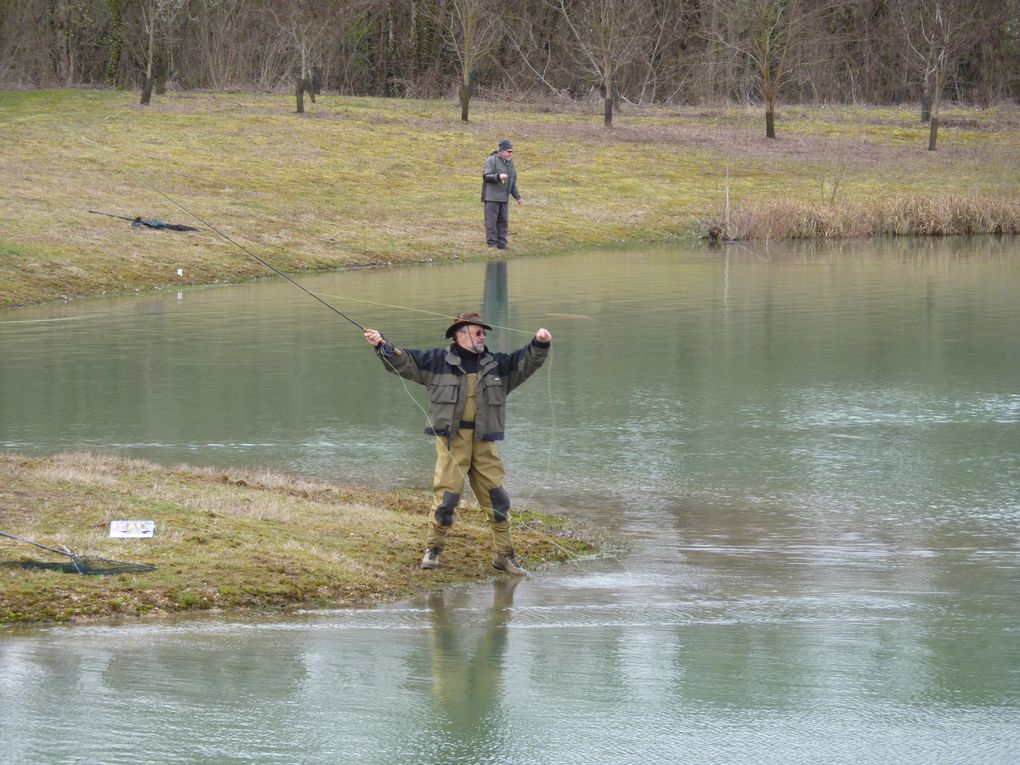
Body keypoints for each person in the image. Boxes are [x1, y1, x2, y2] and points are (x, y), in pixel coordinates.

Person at [363, 313, 551, 575]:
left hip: (485, 442)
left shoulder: (498, 364)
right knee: (447, 499)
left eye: (483, 332)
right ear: (460, 335)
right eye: (478, 332)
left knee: (497, 500)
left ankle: (504, 556)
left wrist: (540, 343)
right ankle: (433, 550)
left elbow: (527, 361)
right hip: (452, 441)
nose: (483, 336)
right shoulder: (437, 362)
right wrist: (381, 344)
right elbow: (403, 360)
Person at [481, 139, 523, 250]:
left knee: (503, 222)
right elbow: (486, 176)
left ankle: (502, 244)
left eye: (512, 151)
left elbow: (512, 182)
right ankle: (492, 245)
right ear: (502, 151)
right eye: (509, 151)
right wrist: (498, 176)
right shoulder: (491, 161)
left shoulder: (511, 164)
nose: (511, 154)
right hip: (491, 198)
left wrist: (518, 197)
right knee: (491, 222)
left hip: (504, 199)